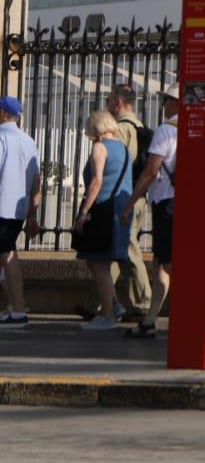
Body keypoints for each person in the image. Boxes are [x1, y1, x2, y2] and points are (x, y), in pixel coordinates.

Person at [120, 90, 180, 340]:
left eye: (166, 99)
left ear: (175, 102)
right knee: (160, 264)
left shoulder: (166, 130)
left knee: (166, 262)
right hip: (183, 200)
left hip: (165, 199)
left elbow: (151, 170)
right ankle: (150, 318)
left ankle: (191, 310)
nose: (163, 104)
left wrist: (130, 202)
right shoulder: (197, 128)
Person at [74, 110, 134, 331]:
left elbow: (97, 181)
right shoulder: (124, 148)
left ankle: (107, 315)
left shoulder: (100, 147)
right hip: (119, 209)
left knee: (100, 264)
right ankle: (115, 305)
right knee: (98, 262)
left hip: (101, 208)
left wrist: (84, 211)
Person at [103, 83, 151, 322]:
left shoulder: (121, 128)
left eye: (108, 100)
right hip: (139, 196)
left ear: (117, 103)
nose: (107, 105)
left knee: (128, 249)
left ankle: (143, 302)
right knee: (115, 250)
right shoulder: (139, 125)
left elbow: (120, 164)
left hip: (126, 196)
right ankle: (100, 301)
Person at [0, 96, 42, 326]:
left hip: (1, 206)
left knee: (7, 255)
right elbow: (36, 179)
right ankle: (15, 304)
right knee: (5, 255)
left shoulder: (1, 138)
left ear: (3, 113)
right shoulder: (28, 141)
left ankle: (18, 309)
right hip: (18, 207)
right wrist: (33, 214)